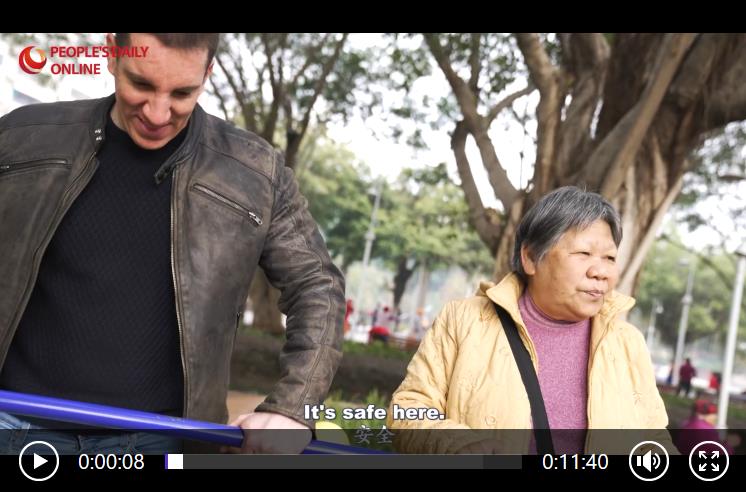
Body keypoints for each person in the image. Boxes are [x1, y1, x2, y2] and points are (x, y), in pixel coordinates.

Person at [0, 33, 344, 455]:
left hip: (161, 443)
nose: (158, 113)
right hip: (11, 424)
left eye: (182, 93)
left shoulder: (257, 173)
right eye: (141, 84)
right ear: (112, 53)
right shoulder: (22, 136)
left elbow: (318, 287)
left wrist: (293, 408)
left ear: (208, 73)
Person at [388, 186, 675, 454]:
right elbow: (407, 412)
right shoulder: (465, 321)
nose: (601, 272)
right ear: (531, 257)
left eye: (609, 258)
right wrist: (470, 449)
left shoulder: (627, 343)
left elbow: (653, 441)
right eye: (584, 253)